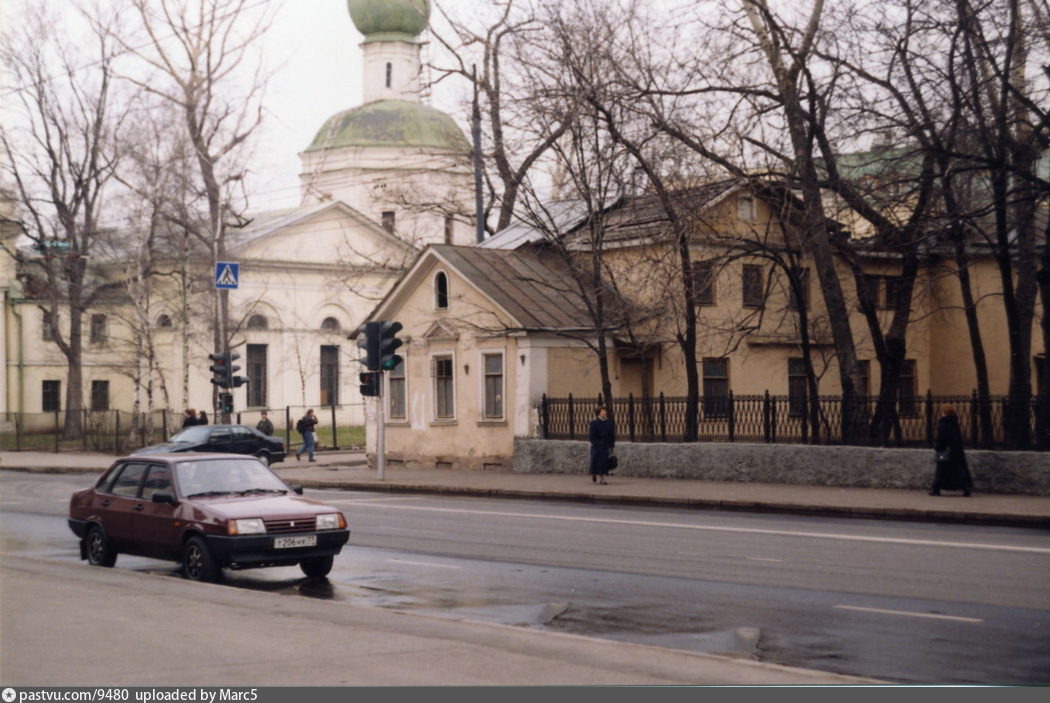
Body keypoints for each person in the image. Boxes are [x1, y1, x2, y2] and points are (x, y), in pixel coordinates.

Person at [930, 405, 972, 497]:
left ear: (945, 413)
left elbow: (941, 437)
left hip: (944, 451)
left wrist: (938, 447)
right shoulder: (954, 422)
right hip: (956, 451)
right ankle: (965, 487)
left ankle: (936, 489)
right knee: (958, 469)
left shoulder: (943, 423)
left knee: (941, 469)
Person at [588, 405, 615, 485]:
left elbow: (611, 434)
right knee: (595, 461)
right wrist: (596, 443)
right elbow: (591, 435)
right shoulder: (594, 422)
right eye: (603, 411)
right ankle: (594, 473)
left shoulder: (608, 422)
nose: (605, 412)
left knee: (603, 462)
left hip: (605, 445)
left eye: (605, 411)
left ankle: (602, 478)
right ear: (598, 413)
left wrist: (611, 445)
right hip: (597, 446)